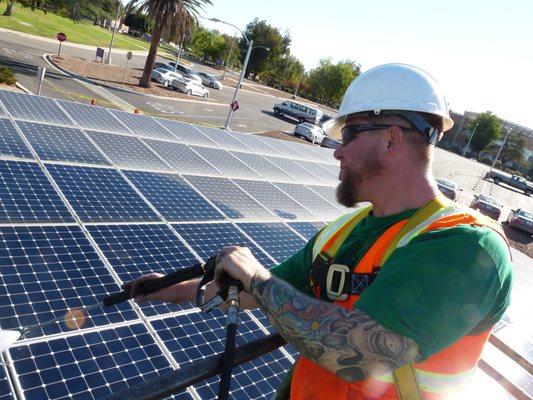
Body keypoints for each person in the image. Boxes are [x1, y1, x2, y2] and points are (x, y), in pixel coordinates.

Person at [124, 64, 513, 400]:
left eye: (349, 135)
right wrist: (163, 290)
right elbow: (259, 290)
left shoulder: (466, 247)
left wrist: (257, 279)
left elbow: (361, 355)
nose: (337, 152)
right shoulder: (345, 231)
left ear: (391, 140)